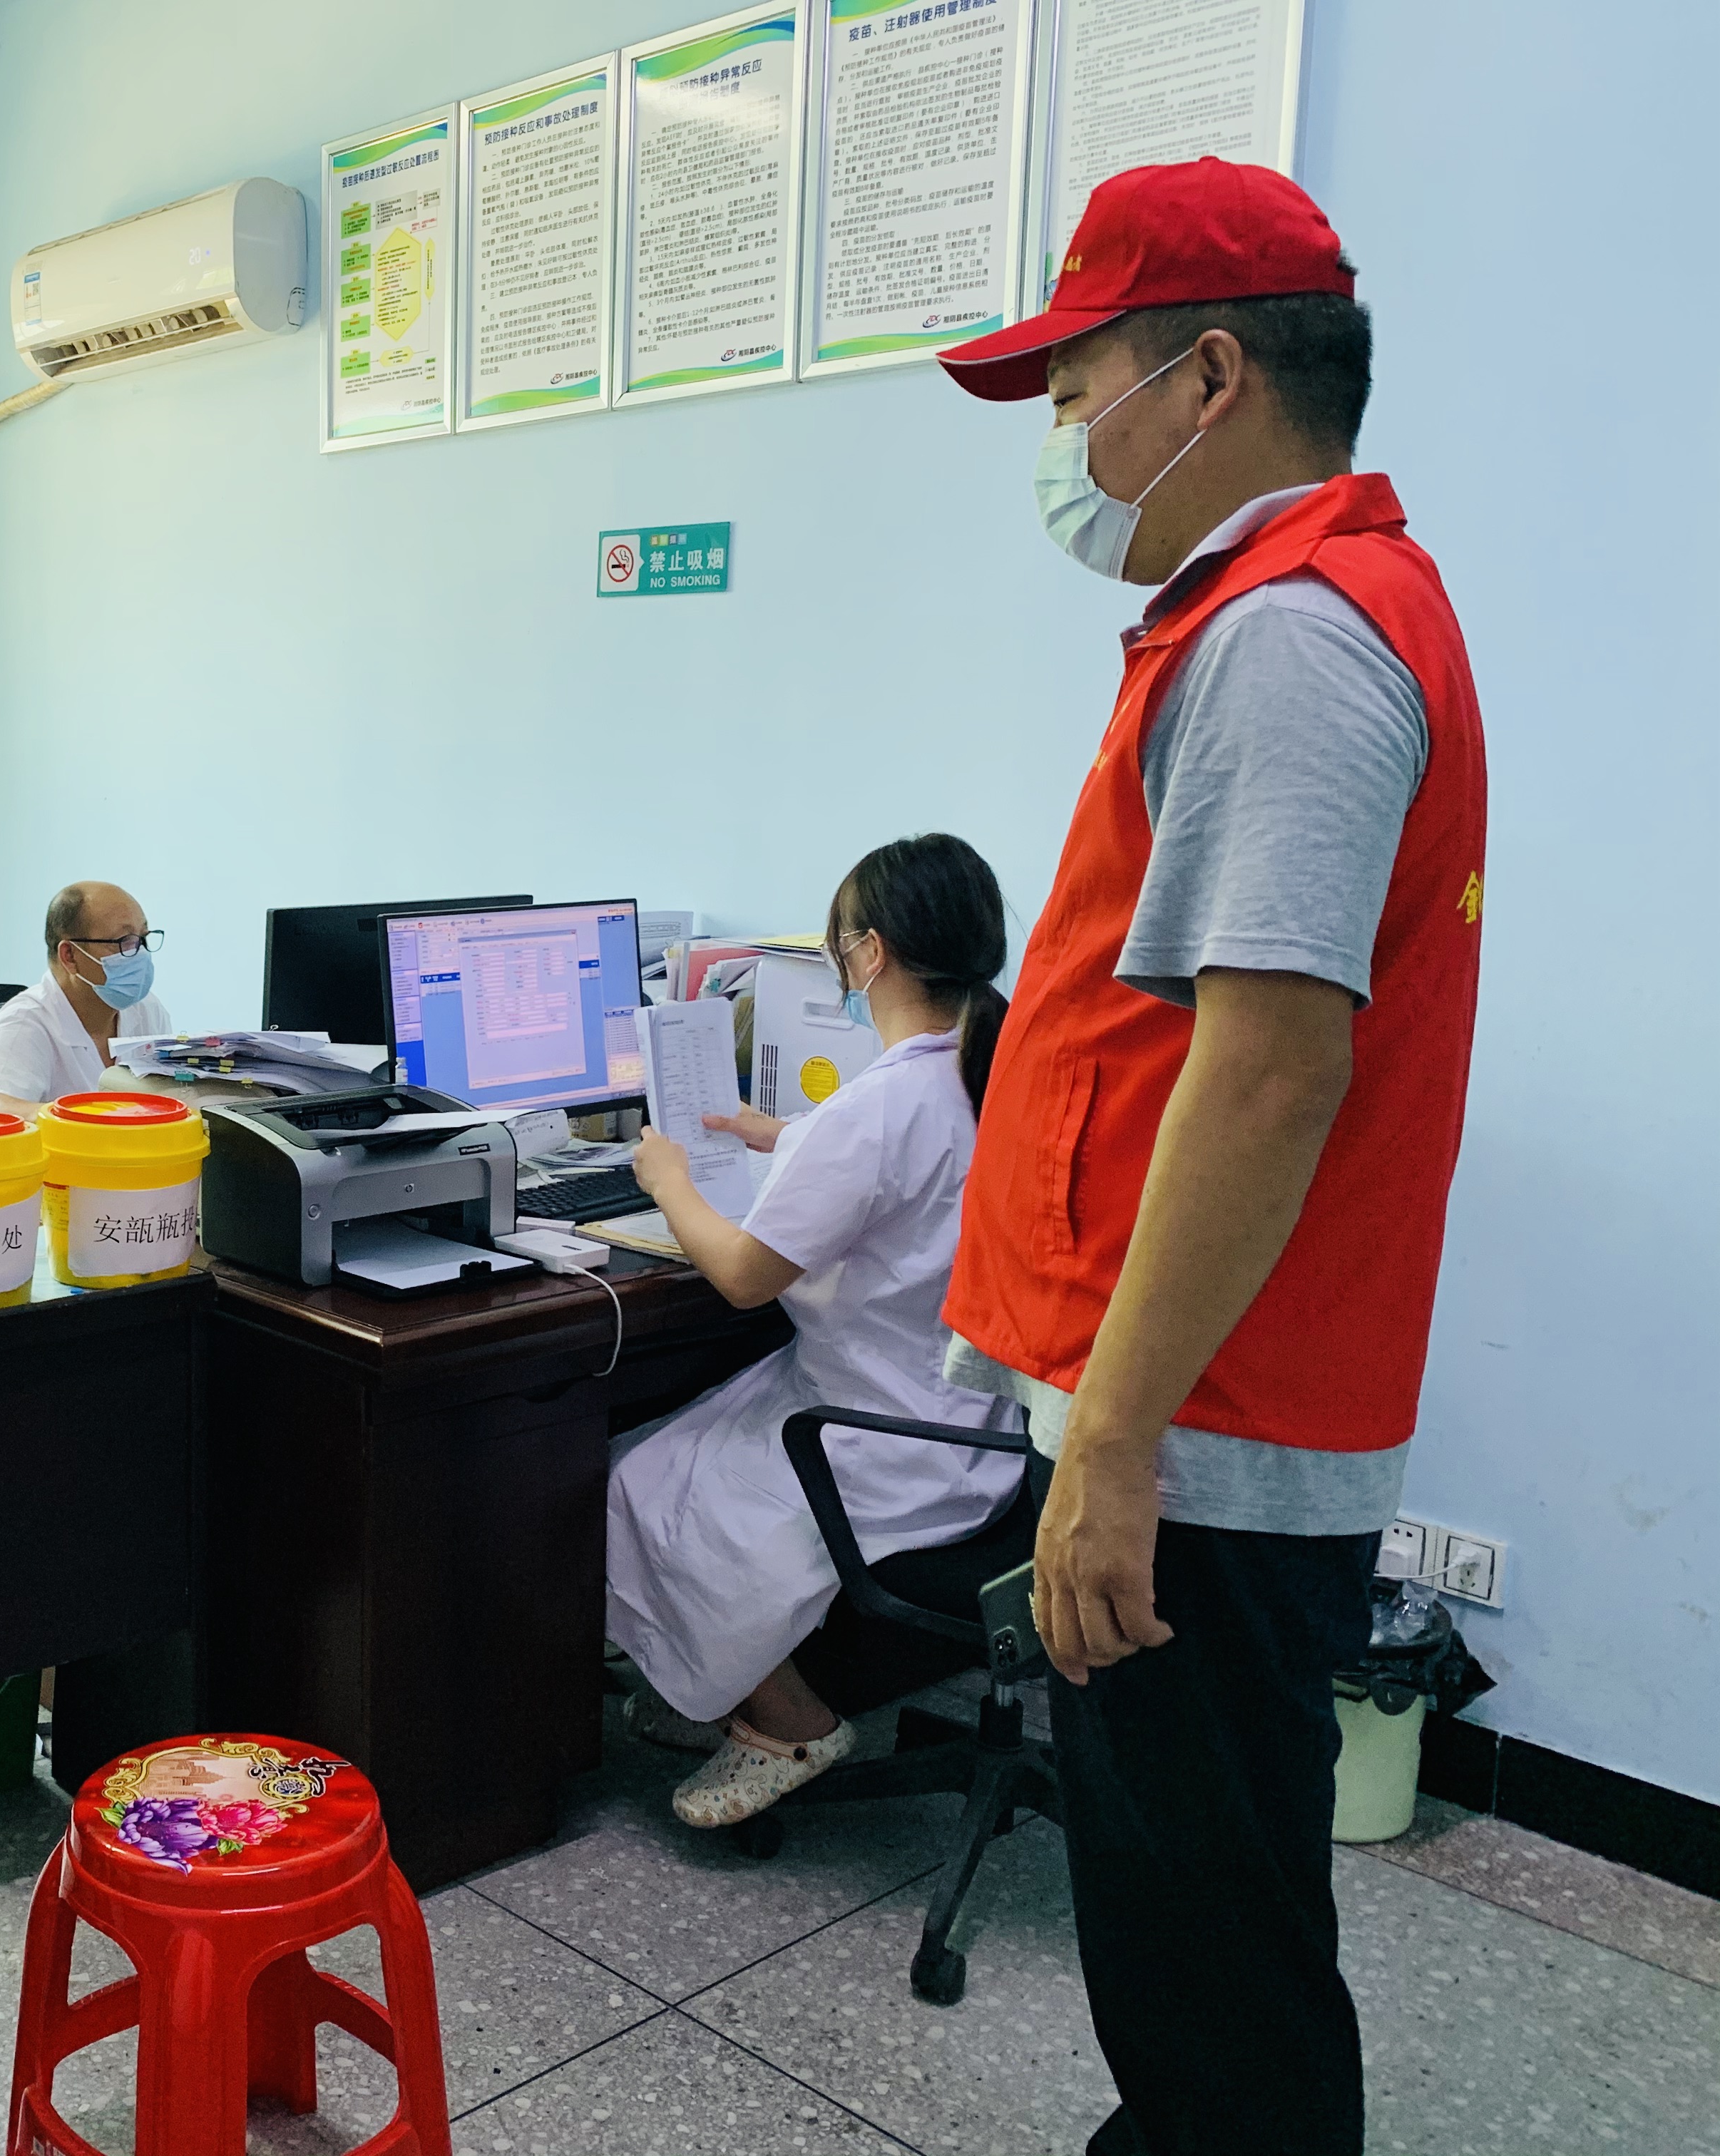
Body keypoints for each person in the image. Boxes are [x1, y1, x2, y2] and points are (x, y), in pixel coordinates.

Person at [933, 159, 1486, 2156]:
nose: (1068, 444)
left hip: (1201, 1436)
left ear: (1212, 378)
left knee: (1209, 1952)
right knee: (1203, 1919)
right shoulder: (1283, 617)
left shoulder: (1292, 641)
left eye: (1081, 393)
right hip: (1206, 1412)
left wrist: (1112, 1445)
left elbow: (1264, 1079)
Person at [609, 836, 1022, 1829]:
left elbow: (744, 1277)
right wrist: (780, 1135)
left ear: (870, 954)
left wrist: (669, 1183)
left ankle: (789, 1722)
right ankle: (713, 1690)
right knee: (677, 1451)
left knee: (639, 1482)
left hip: (884, 1435)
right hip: (976, 1428)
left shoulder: (877, 1108)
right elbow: (909, 1160)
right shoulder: (993, 1073)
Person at [0, 881, 173, 1119]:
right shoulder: (25, 1022)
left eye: (143, 938)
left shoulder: (147, 1010)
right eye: (125, 941)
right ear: (70, 956)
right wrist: (84, 1117)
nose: (141, 954)